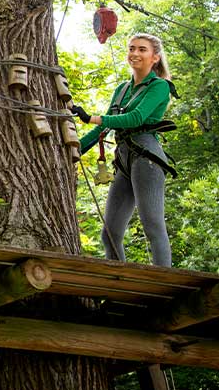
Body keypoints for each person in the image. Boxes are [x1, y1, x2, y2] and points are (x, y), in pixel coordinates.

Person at [74, 33, 177, 267]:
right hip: (125, 161)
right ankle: (118, 279)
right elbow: (108, 124)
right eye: (132, 49)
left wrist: (92, 118)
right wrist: (76, 149)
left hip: (146, 158)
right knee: (110, 234)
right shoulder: (122, 89)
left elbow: (136, 118)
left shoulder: (160, 87)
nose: (135, 54)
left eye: (142, 49)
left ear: (155, 58)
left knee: (152, 225)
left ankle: (163, 283)